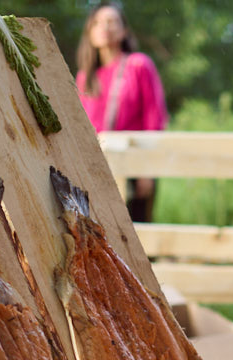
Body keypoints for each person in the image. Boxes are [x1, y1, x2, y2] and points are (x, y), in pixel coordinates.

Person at [75, 2, 168, 223]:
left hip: (135, 165)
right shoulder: (85, 77)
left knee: (137, 236)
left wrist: (147, 169)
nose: (104, 27)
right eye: (97, 22)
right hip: (98, 167)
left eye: (111, 21)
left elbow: (155, 119)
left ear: (124, 30)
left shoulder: (139, 65)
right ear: (90, 32)